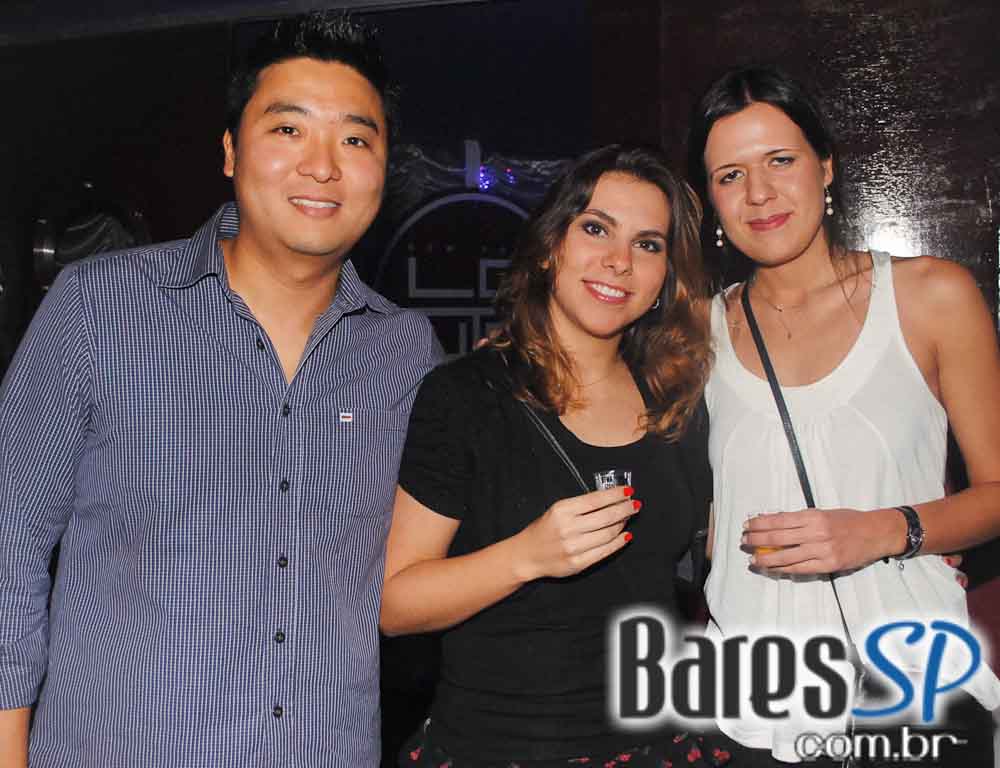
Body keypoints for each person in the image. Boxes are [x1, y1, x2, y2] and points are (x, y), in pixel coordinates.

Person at [0, 12, 438, 767]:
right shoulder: (99, 307)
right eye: (288, 129)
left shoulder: (407, 354)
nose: (322, 166)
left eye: (355, 139)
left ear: (384, 167)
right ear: (231, 151)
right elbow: (9, 548)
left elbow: (423, 575)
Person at [686, 65, 1000, 765]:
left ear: (825, 166)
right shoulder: (693, 335)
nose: (758, 193)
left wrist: (888, 530)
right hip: (749, 710)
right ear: (710, 199)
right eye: (730, 175)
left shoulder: (931, 297)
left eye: (780, 160)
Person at [380, 145, 726, 766]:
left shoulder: (676, 403)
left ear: (663, 280)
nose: (619, 261)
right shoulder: (467, 396)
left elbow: (711, 552)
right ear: (547, 248)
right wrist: (527, 556)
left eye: (648, 244)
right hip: (500, 747)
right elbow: (396, 605)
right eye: (595, 229)